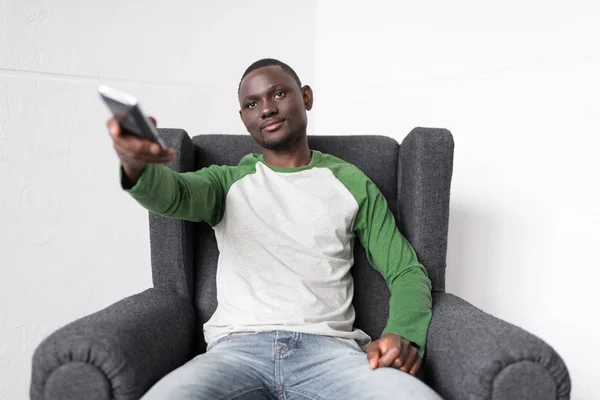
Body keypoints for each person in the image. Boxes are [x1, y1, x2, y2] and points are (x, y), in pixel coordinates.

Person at [108, 58, 442, 399]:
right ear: (244, 118)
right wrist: (138, 168)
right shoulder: (226, 182)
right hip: (236, 354)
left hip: (331, 355)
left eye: (278, 93)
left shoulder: (351, 182)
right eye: (252, 104)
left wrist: (404, 335)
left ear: (306, 97)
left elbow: (406, 271)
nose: (266, 109)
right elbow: (174, 194)